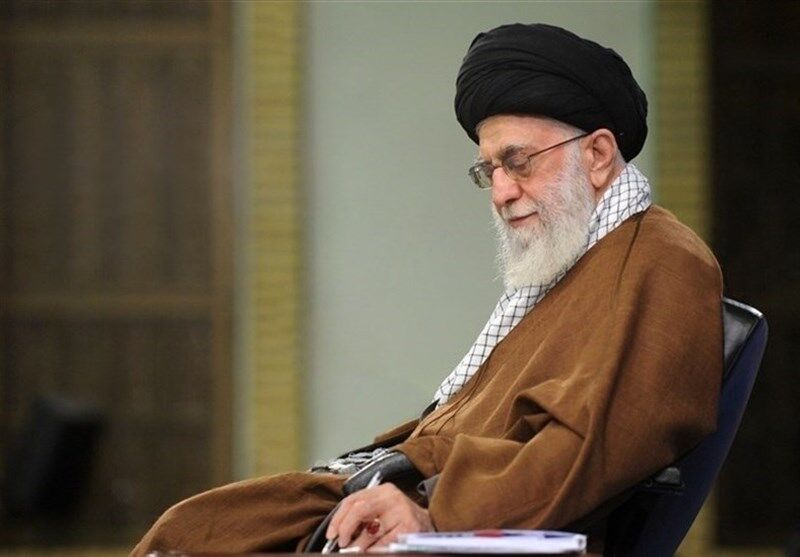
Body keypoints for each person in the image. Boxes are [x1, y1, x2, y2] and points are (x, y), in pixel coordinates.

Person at [131, 22, 722, 556]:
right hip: (416, 489)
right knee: (192, 529)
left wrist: (434, 515)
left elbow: (588, 450)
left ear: (597, 154)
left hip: (473, 525)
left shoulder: (661, 262)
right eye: (489, 170)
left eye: (519, 162)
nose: (501, 192)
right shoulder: (576, 261)